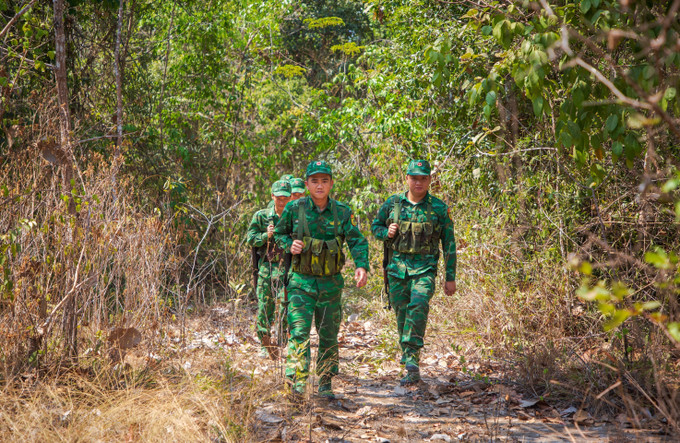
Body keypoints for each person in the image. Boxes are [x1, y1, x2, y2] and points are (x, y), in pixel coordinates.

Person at [275, 160, 369, 399]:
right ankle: (297, 383)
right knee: (299, 332)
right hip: (301, 283)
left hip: (330, 285)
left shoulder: (342, 212)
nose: (319, 186)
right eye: (314, 181)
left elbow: (357, 240)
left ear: (331, 184)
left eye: (324, 181)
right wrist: (289, 244)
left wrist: (361, 265)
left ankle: (325, 383)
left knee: (328, 335)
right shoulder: (294, 208)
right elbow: (279, 233)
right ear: (306, 184)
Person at [371, 160, 456, 385]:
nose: (419, 182)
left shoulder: (439, 208)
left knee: (418, 307)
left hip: (424, 270)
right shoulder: (393, 204)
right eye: (414, 178)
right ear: (407, 178)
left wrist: (450, 278)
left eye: (423, 178)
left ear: (430, 180)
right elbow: (375, 227)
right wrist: (386, 233)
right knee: (402, 316)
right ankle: (409, 357)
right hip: (396, 270)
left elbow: (449, 244)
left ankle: (412, 361)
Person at [247, 180, 292, 360]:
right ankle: (265, 345)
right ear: (272, 196)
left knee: (285, 306)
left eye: (285, 198)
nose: (281, 201)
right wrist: (266, 235)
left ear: (290, 198)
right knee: (265, 307)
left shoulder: (296, 216)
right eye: (278, 197)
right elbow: (250, 239)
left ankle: (281, 342)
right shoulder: (262, 216)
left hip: (288, 269)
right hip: (267, 269)